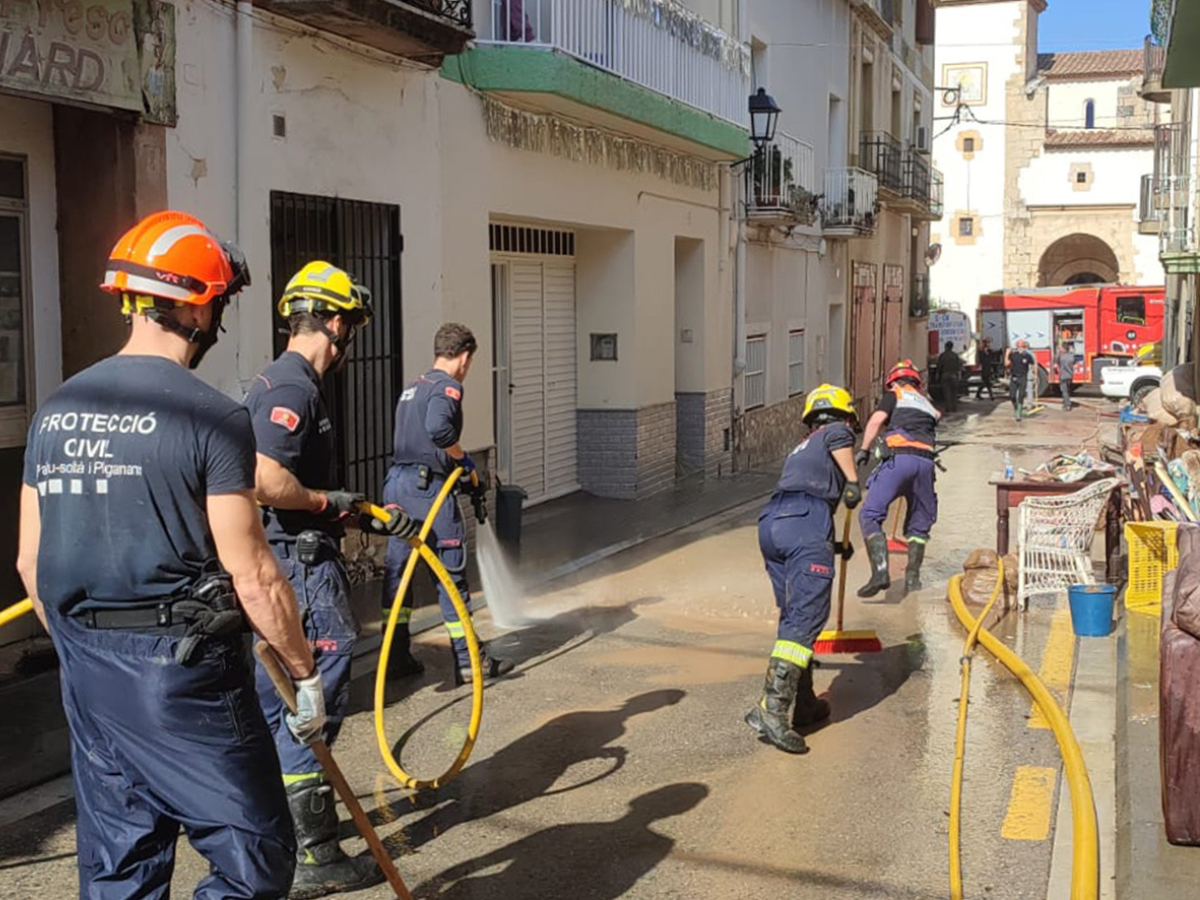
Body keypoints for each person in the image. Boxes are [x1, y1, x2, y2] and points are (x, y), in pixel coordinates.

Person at [16, 211, 326, 900]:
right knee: (256, 861)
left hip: (89, 673)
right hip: (182, 678)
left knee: (121, 865)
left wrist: (85, 654)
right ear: (196, 304)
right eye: (217, 302)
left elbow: (30, 565)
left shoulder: (56, 410)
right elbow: (253, 572)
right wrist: (304, 672)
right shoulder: (209, 416)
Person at [244, 261, 420, 899]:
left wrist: (356, 508)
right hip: (300, 563)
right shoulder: (292, 388)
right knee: (311, 695)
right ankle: (314, 852)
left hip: (297, 550)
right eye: (353, 326)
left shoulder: (288, 384)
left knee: (292, 701)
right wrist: (323, 503)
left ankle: (283, 840)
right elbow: (266, 480)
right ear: (337, 322)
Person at [382, 323, 514, 683]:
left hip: (397, 488)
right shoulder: (448, 388)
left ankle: (393, 658)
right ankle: (470, 661)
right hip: (429, 493)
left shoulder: (413, 387)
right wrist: (463, 461)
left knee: (399, 577)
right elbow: (440, 430)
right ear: (465, 357)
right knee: (450, 580)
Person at [746, 384, 861, 754]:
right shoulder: (837, 430)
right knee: (807, 615)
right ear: (843, 416)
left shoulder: (802, 444)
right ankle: (772, 708)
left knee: (793, 614)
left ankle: (805, 703)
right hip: (806, 520)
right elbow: (841, 449)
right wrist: (854, 482)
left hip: (773, 523)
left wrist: (832, 544)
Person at [855, 360, 941, 597]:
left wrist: (863, 449)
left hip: (898, 461)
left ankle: (881, 573)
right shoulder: (926, 402)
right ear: (917, 383)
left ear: (893, 381)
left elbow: (875, 421)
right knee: (919, 524)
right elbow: (937, 418)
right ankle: (913, 579)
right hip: (925, 464)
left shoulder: (893, 396)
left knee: (870, 514)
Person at [1007, 339, 1038, 420]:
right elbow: (1007, 364)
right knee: (1012, 396)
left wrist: (1035, 374)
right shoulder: (1013, 354)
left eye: (1022, 346)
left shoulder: (1028, 356)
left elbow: (1033, 364)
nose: (1020, 347)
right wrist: (1007, 354)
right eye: (1019, 345)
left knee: (1021, 395)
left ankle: (1019, 413)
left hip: (1023, 377)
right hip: (1014, 377)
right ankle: (1016, 408)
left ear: (1024, 346)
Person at [937, 341, 962, 413]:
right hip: (954, 375)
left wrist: (937, 375)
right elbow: (959, 366)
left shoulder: (942, 355)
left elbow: (939, 366)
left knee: (947, 392)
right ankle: (954, 408)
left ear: (946, 347)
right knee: (954, 392)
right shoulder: (955, 355)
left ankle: (948, 408)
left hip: (945, 375)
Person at [1056, 343, 1076, 412]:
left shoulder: (1061, 357)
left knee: (1064, 391)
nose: (1059, 349)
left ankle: (1067, 405)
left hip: (1063, 375)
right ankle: (1066, 403)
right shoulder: (1071, 356)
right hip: (1070, 375)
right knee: (1068, 390)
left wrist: (1058, 353)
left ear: (1063, 349)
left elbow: (1057, 361)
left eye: (1060, 348)